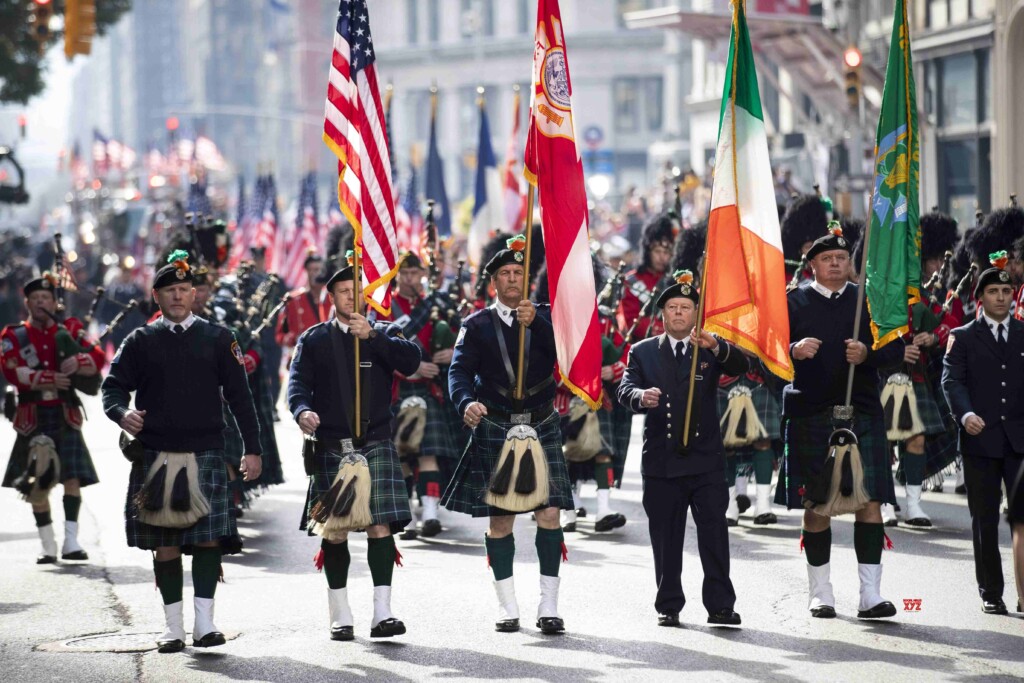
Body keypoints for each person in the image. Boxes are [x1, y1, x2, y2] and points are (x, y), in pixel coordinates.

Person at [101, 252, 262, 652]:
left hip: (205, 451)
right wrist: (122, 414)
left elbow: (242, 398)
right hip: (156, 455)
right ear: (156, 296)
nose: (177, 296)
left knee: (208, 541)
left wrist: (253, 450)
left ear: (193, 294)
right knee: (165, 544)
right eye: (169, 290)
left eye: (183, 289)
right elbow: (112, 387)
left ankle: (205, 623)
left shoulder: (219, 338)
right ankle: (173, 627)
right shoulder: (139, 340)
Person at [443, 235, 575, 635]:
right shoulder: (476, 324)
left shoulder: (548, 317)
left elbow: (569, 352)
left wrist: (541, 324)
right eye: (506, 274)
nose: (514, 279)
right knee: (500, 521)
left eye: (519, 273)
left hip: (540, 421)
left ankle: (548, 604)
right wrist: (465, 401)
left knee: (549, 512)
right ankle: (507, 605)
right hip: (497, 423)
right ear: (494, 283)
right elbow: (459, 372)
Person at [776, 225, 905, 620]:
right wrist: (793, 351)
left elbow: (897, 350)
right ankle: (821, 594)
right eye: (828, 260)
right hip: (812, 414)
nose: (836, 265)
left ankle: (870, 596)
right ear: (812, 264)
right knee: (817, 505)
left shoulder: (868, 301)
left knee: (870, 502)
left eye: (843, 259)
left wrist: (868, 353)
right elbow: (767, 357)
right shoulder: (792, 303)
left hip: (862, 411)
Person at [288, 261, 421, 640]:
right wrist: (302, 411)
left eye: (358, 290)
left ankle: (383, 613)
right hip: (332, 445)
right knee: (335, 531)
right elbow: (296, 386)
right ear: (331, 297)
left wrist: (375, 337)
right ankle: (340, 613)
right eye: (345, 291)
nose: (352, 296)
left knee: (380, 526)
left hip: (375, 444)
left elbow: (412, 363)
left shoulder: (385, 332)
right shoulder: (313, 340)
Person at [617, 270, 747, 627]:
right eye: (672, 307)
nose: (678, 313)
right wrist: (641, 397)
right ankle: (668, 603)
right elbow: (624, 389)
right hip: (661, 462)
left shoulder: (708, 346)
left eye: (685, 307)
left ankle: (720, 605)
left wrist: (717, 346)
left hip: (705, 462)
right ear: (662, 315)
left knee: (714, 535)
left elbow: (743, 364)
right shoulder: (642, 352)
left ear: (695, 313)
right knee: (666, 537)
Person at [2, 273, 105, 564]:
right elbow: (11, 371)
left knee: (71, 477)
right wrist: (48, 378)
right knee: (37, 480)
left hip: (64, 413)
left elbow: (97, 357)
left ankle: (72, 542)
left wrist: (79, 361)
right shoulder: (13, 336)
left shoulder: (69, 330)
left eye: (45, 298)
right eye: (35, 299)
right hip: (32, 416)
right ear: (27, 303)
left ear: (53, 302)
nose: (40, 303)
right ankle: (48, 545)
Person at [942, 255, 1024, 615]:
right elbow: (951, 381)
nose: (1002, 297)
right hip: (980, 440)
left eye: (1007, 290)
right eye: (994, 291)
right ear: (981, 298)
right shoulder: (962, 337)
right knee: (985, 519)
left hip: (1020, 440)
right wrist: (966, 413)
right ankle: (991, 590)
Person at [388, 252, 460, 538]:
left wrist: (452, 352)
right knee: (401, 453)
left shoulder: (437, 306)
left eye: (414, 274)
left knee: (429, 453)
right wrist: (412, 368)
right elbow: (379, 351)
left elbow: (461, 337)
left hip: (429, 389)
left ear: (422, 275)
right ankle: (406, 515)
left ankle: (430, 514)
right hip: (397, 389)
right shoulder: (385, 309)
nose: (409, 280)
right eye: (403, 274)